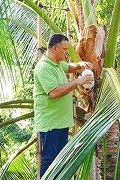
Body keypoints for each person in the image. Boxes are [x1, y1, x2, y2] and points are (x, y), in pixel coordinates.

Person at [33, 34, 94, 177]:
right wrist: (78, 82)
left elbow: (69, 67)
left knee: (60, 161)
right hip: (50, 124)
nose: (66, 53)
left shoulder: (57, 63)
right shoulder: (43, 67)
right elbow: (53, 93)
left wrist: (81, 64)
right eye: (64, 49)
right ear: (55, 48)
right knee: (50, 161)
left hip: (61, 122)